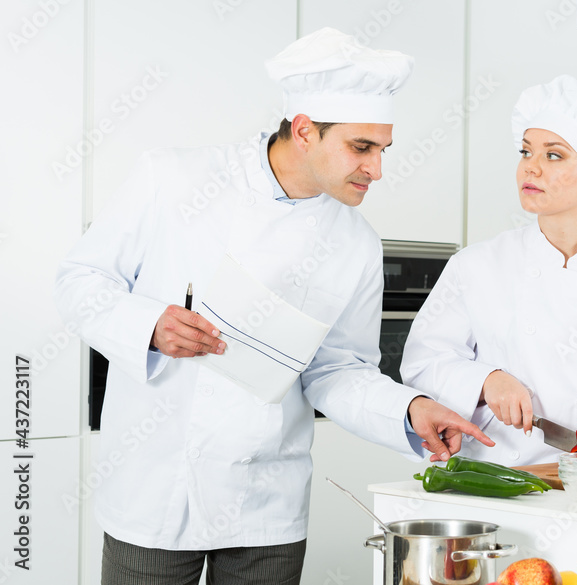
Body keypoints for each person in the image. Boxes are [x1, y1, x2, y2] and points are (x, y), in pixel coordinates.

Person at [54, 28, 492, 585]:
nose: (377, 170)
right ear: (305, 130)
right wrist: (149, 327)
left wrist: (409, 410)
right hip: (157, 488)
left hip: (265, 502)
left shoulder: (356, 242)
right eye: (362, 147)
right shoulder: (172, 178)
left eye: (383, 150)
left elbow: (337, 371)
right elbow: (79, 280)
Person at [400, 75, 577, 466]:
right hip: (491, 475)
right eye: (525, 152)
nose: (529, 168)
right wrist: (486, 380)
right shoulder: (476, 266)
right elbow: (422, 364)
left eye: (553, 156)